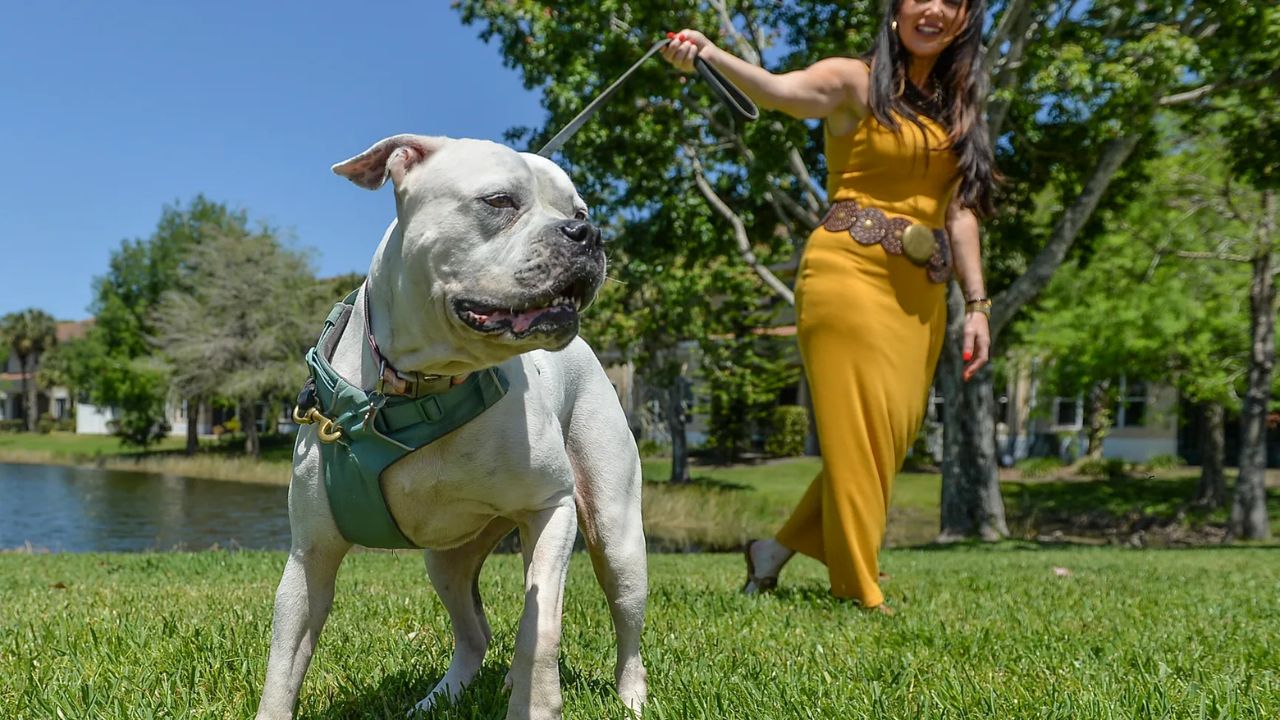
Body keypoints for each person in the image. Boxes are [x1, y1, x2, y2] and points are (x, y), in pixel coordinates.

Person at [661, 0, 997, 613]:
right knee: (858, 433)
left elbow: (961, 212)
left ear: (964, 21)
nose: (936, 10)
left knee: (885, 441)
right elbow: (778, 92)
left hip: (922, 294)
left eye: (954, 2)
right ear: (896, 11)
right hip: (850, 274)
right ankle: (859, 585)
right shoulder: (854, 80)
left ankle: (773, 551)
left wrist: (977, 304)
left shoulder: (960, 110)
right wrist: (708, 54)